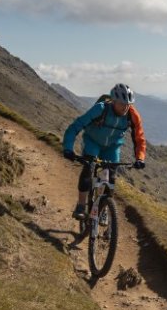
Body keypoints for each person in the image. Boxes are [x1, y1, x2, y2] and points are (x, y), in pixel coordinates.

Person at [62, 83, 147, 220]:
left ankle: (103, 209)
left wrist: (140, 158)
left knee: (110, 179)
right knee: (88, 170)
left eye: (128, 104)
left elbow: (139, 139)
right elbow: (75, 127)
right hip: (92, 142)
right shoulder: (100, 109)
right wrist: (68, 148)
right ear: (113, 101)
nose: (125, 107)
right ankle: (81, 206)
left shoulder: (132, 115)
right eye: (121, 103)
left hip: (112, 147)